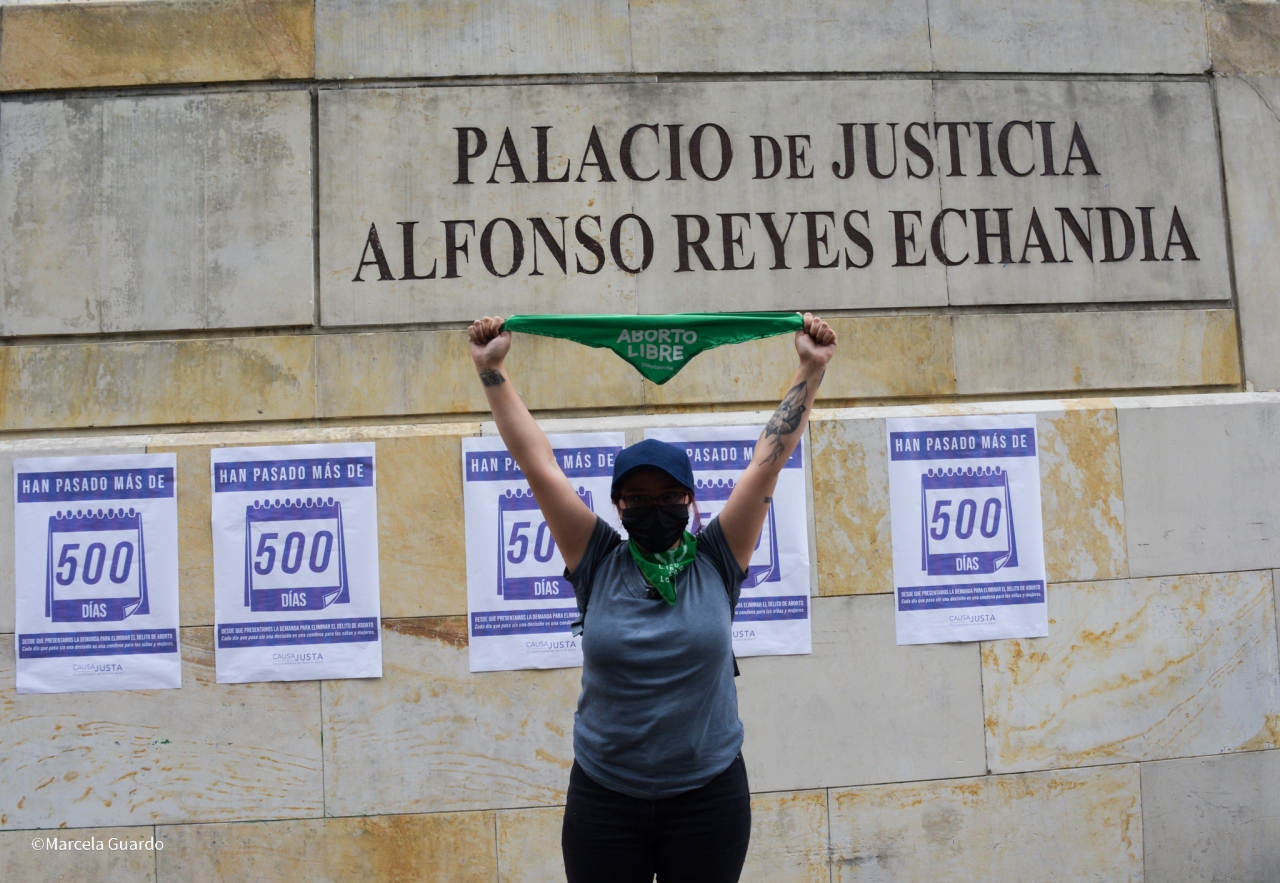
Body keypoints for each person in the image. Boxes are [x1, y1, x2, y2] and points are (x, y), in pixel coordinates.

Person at [468, 313, 838, 883]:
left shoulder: (718, 556)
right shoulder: (597, 559)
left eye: (668, 495)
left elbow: (770, 460)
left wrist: (810, 370)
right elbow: (538, 466)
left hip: (708, 798)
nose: (652, 506)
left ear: (690, 501)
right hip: (605, 799)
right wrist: (491, 370)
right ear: (616, 506)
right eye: (636, 498)